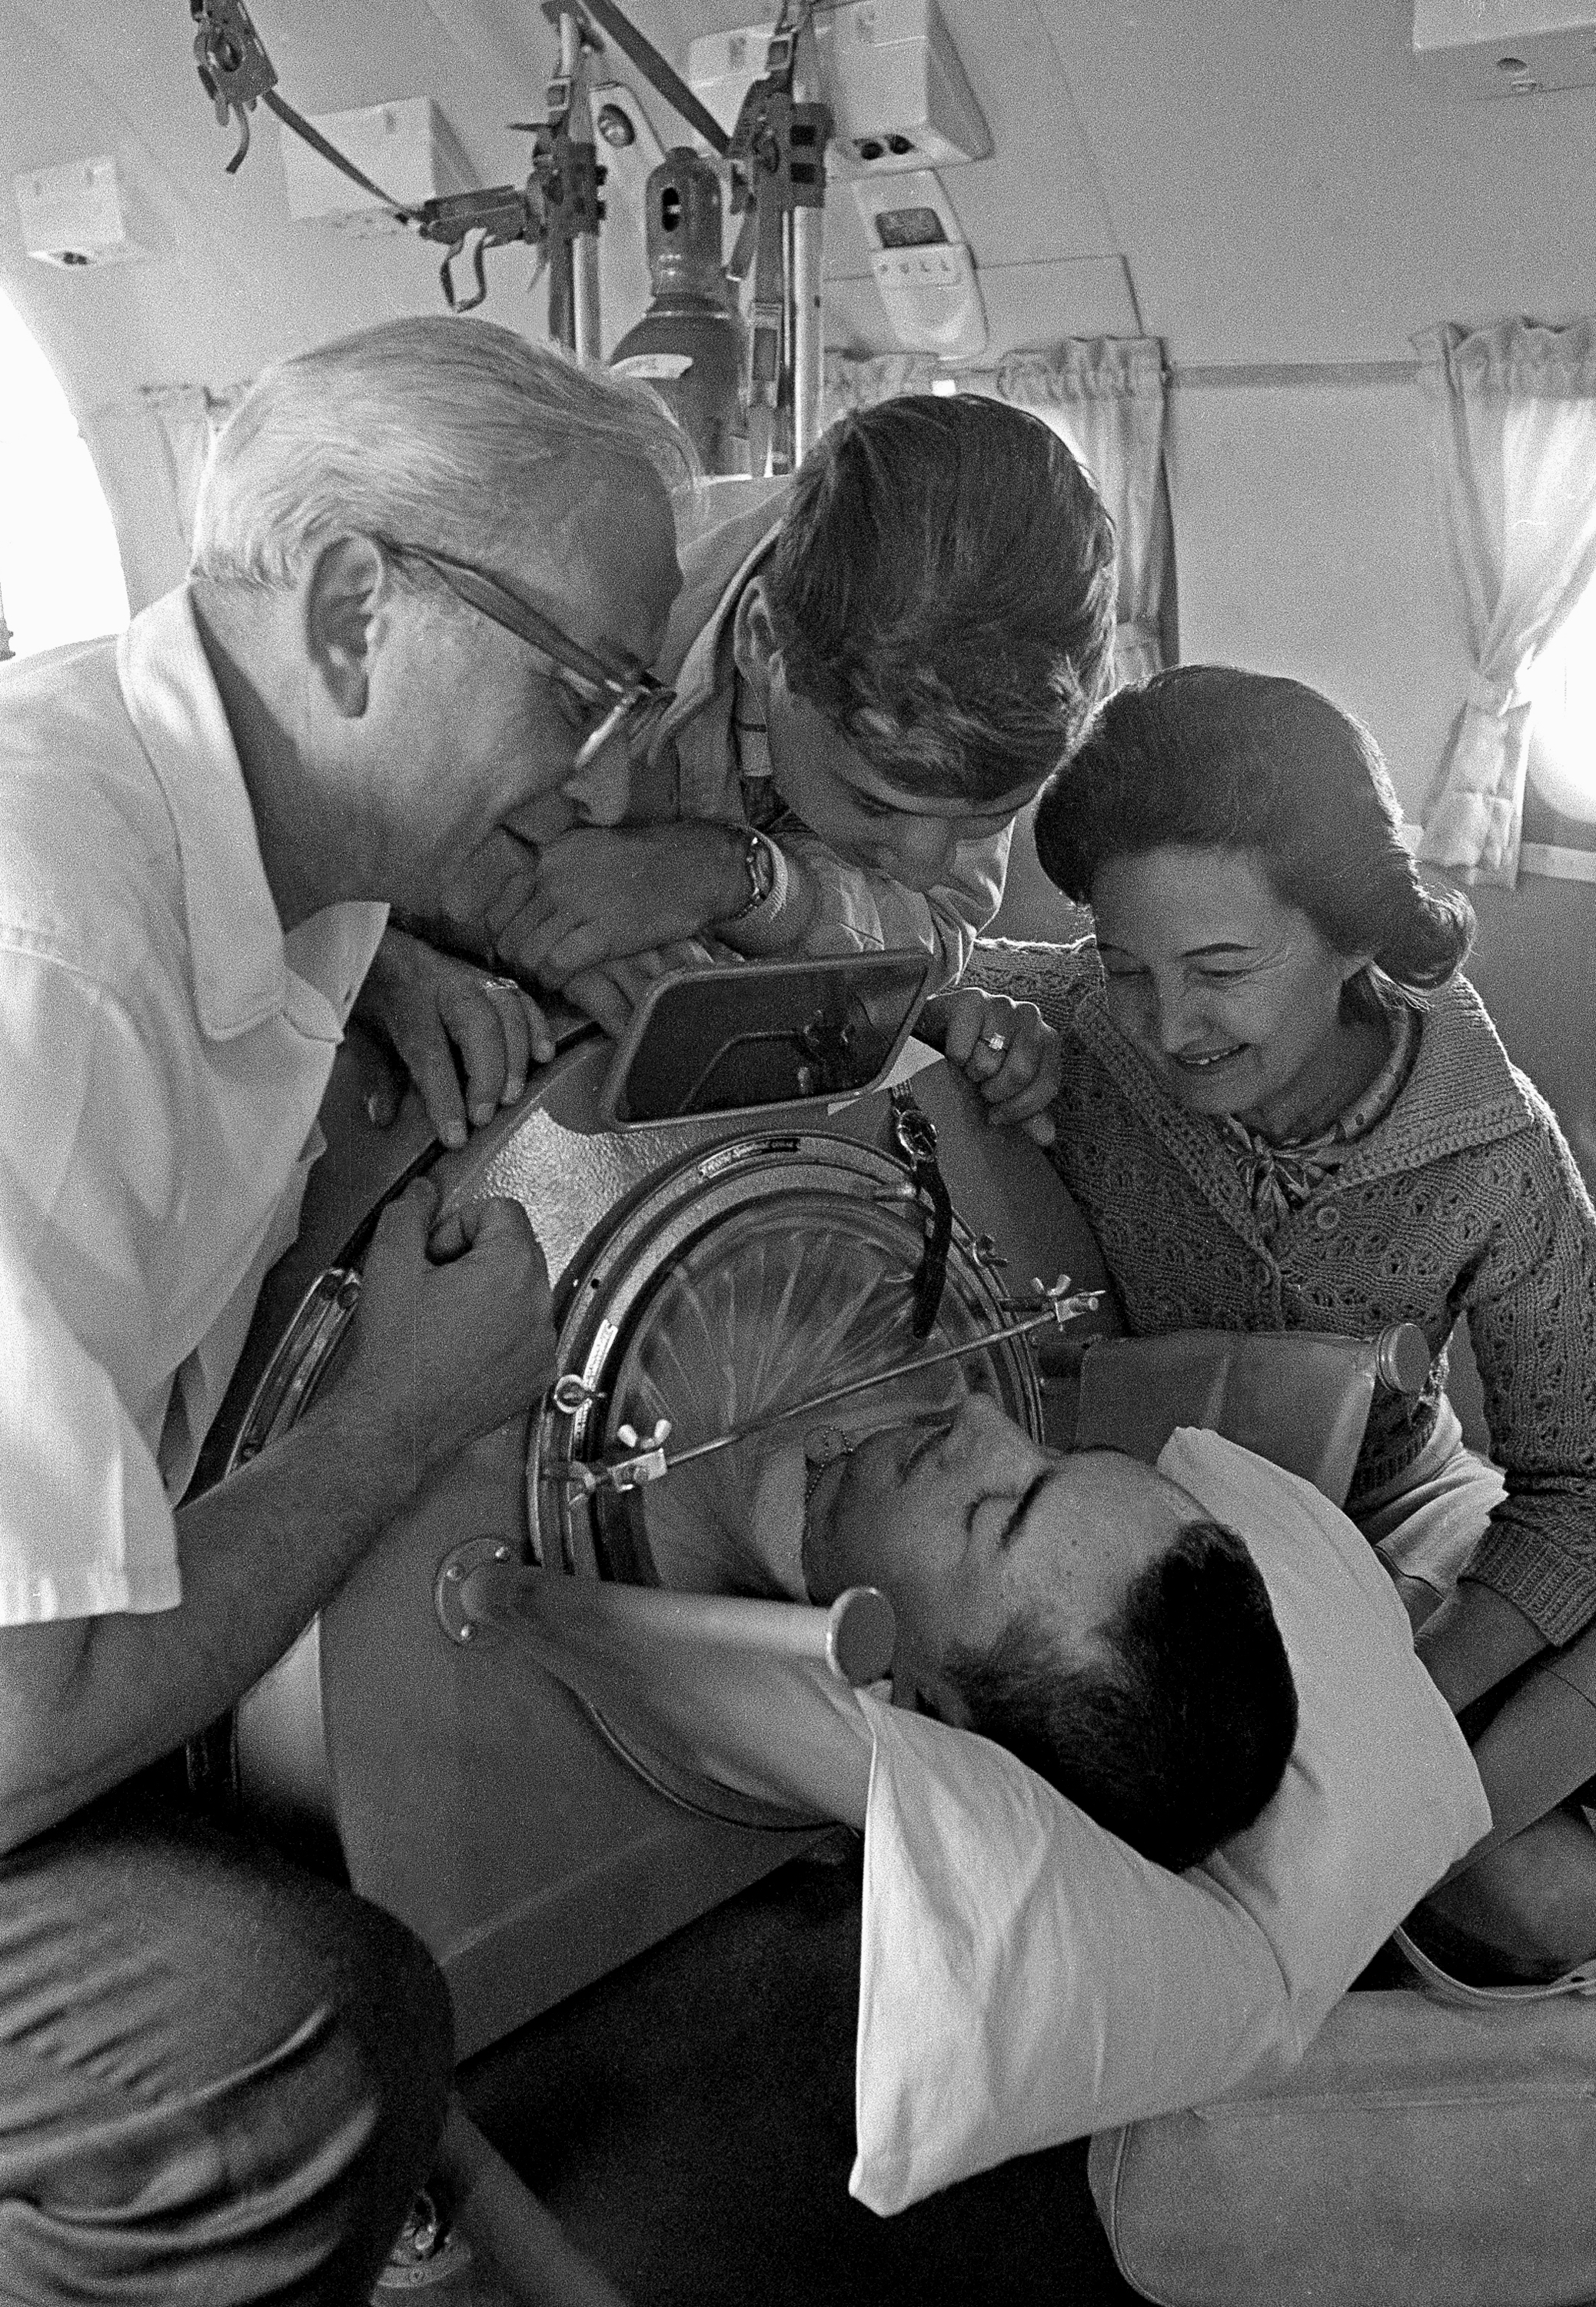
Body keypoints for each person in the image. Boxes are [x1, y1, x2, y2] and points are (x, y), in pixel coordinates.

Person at [0, 312, 693, 2302]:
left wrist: (380, 956)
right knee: (294, 2038)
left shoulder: (255, 823)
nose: (604, 761)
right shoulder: (51, 959)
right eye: (578, 685)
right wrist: (397, 1414)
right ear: (351, 601)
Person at [934, 663, 1596, 1982]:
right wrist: (958, 1015)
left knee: (1532, 1897)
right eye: (1129, 968)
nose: (1170, 1025)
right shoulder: (1083, 1020)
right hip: (1136, 1528)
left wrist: (1406, 1697)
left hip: (1387, 1518)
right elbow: (882, 972)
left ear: (1354, 938)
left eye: (1221, 970)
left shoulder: (1496, 1163)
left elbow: (1578, 1491)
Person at [415, 393, 1118, 1033]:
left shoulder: (997, 680)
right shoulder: (586, 596)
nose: (926, 864)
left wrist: (744, 879)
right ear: (762, 640)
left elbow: (930, 940)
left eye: (986, 819)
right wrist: (443, 943)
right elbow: (359, 798)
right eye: (875, 805)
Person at [632, 1373, 1298, 1874]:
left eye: (989, 1513)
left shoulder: (641, 1600)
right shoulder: (889, 1363)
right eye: (1053, 1452)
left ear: (924, 1707)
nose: (980, 1412)